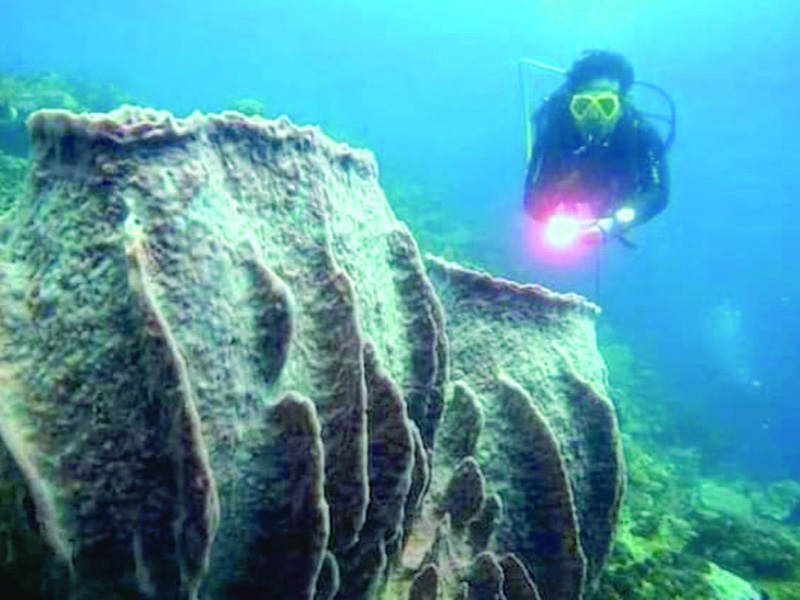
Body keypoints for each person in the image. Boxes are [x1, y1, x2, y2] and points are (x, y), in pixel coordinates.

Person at [523, 51, 669, 244]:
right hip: (568, 200)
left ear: (622, 105)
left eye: (606, 105)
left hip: (616, 205)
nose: (594, 116)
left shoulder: (640, 133)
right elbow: (533, 198)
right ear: (571, 105)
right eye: (583, 106)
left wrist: (616, 223)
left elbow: (657, 192)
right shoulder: (556, 130)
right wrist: (554, 219)